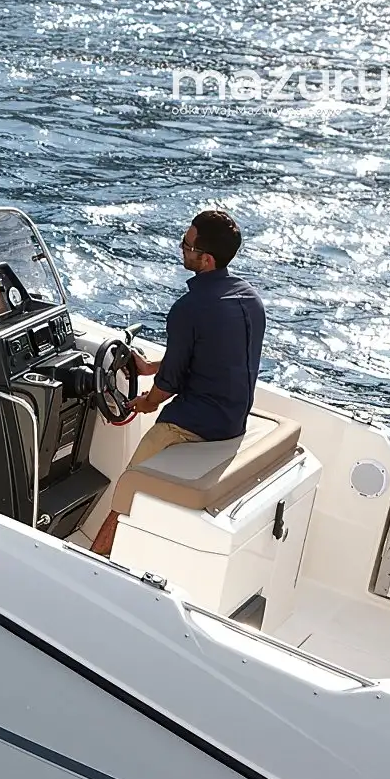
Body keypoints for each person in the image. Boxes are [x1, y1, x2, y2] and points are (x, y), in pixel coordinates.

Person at [90, 210, 265, 555]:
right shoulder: (249, 299)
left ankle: (93, 563)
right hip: (233, 423)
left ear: (206, 259)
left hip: (192, 427)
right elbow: (206, 358)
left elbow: (167, 387)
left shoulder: (190, 308)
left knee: (128, 490)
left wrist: (145, 403)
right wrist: (148, 367)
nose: (181, 248)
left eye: (187, 245)